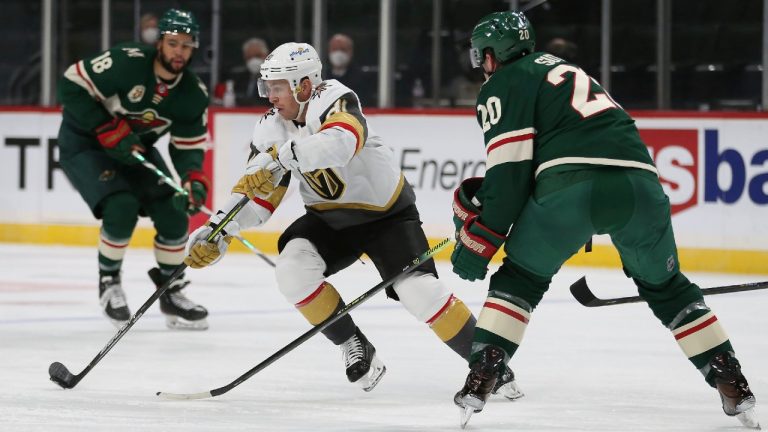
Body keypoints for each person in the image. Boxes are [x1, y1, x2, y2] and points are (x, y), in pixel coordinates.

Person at [451, 11, 759, 429]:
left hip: (570, 190)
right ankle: (729, 376)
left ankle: (484, 371)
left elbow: (509, 175)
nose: (480, 63)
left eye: (482, 54)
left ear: (494, 53)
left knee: (519, 280)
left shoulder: (503, 83)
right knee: (668, 288)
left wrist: (482, 238)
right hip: (641, 187)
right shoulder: (568, 70)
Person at [183, 41, 522, 398]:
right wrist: (221, 227)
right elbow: (261, 199)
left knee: (420, 294)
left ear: (304, 84)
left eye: (277, 86)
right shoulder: (270, 127)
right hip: (328, 221)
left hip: (387, 216)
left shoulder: (334, 96)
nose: (270, 95)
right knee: (292, 271)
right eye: (267, 87)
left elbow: (341, 143)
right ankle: (352, 342)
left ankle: (489, 365)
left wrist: (283, 157)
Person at [57, 8, 211, 330]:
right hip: (85, 143)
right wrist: (103, 125)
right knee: (121, 205)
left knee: (173, 207)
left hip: (133, 149)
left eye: (186, 45)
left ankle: (171, 290)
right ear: (160, 43)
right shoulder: (127, 61)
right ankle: (109, 282)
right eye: (173, 43)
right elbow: (70, 84)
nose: (179, 51)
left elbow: (188, 146)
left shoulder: (192, 94)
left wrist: (192, 178)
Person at [326, 34, 375, 107]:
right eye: (335, 49)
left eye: (343, 49)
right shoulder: (322, 77)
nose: (338, 53)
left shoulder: (362, 79)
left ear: (350, 52)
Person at [226, 38, 270, 106]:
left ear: (267, 56)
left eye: (257, 56)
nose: (254, 60)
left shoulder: (275, 79)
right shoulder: (239, 79)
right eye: (249, 57)